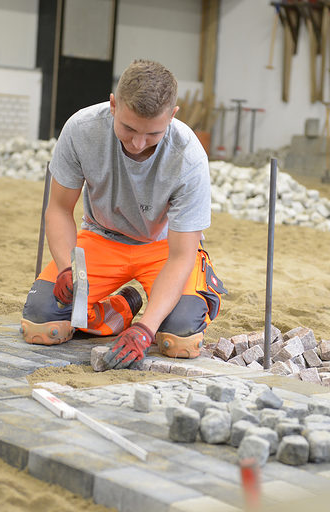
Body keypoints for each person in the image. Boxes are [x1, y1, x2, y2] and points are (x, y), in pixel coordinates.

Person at [21, 59, 226, 370]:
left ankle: (155, 314)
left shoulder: (189, 156)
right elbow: (60, 209)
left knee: (178, 341)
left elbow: (182, 255)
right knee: (42, 325)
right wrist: (67, 268)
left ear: (172, 116)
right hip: (101, 238)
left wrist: (145, 331)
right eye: (128, 128)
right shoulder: (81, 129)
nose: (137, 143)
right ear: (113, 105)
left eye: (152, 134)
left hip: (164, 250)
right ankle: (121, 307)